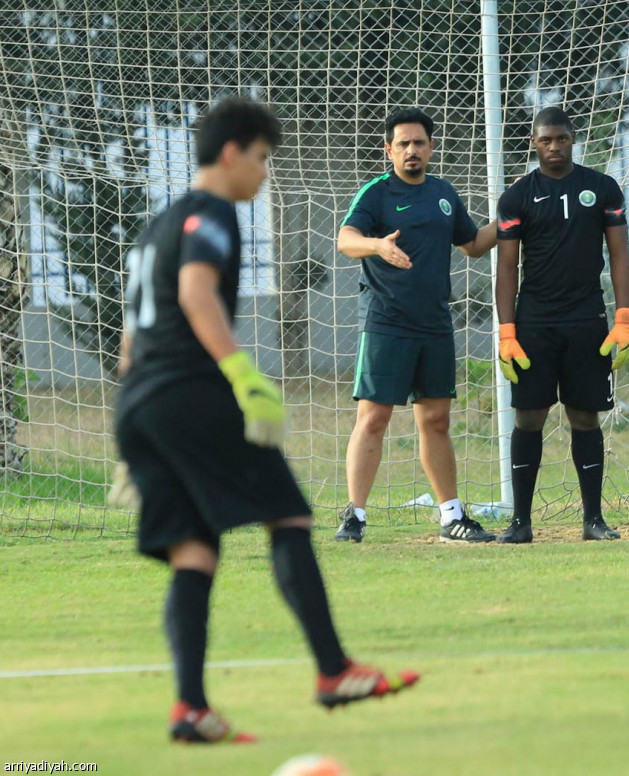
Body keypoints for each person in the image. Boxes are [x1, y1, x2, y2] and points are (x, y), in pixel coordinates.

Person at [111, 97, 419, 744]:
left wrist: (144, 429)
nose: (265, 173)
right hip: (190, 394)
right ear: (232, 153)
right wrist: (244, 377)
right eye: (261, 158)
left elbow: (131, 341)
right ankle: (334, 671)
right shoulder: (213, 212)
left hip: (140, 401)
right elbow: (196, 294)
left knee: (194, 550)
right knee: (290, 514)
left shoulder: (156, 226)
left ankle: (190, 708)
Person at [334, 108, 498, 544]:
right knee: (373, 419)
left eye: (419, 142)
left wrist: (509, 219)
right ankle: (355, 516)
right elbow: (345, 239)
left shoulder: (444, 193)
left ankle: (451, 517)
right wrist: (376, 247)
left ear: (430, 147)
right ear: (389, 149)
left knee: (437, 421)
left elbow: (473, 245)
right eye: (403, 143)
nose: (412, 150)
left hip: (435, 324)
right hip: (386, 322)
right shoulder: (376, 193)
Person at [493, 106, 629, 544]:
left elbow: (620, 255)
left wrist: (624, 317)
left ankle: (593, 520)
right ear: (533, 144)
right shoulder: (516, 197)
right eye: (545, 140)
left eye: (561, 139)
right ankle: (520, 523)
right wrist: (507, 331)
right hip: (535, 323)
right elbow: (507, 268)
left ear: (573, 140)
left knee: (585, 418)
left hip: (587, 320)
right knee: (529, 418)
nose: (554, 147)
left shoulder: (602, 188)